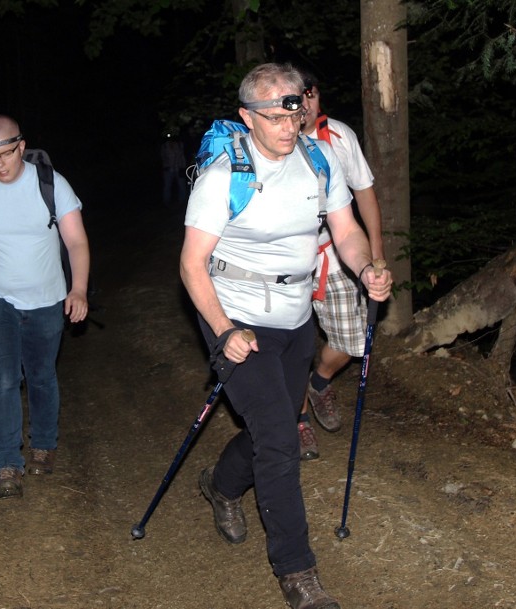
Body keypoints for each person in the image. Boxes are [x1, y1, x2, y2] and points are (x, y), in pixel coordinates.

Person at [180, 63, 392, 609]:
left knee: (267, 428)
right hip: (236, 315)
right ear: (247, 117)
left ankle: (222, 486)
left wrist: (367, 267)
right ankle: (297, 573)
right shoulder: (224, 174)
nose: (287, 124)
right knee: (280, 439)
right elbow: (191, 264)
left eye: (293, 110)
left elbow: (344, 231)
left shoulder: (319, 160)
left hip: (297, 316)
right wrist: (224, 329)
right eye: (274, 115)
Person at [0, 115, 90, 499]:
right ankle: (8, 463)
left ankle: (44, 442)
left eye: (7, 154)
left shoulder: (51, 184)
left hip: (46, 300)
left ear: (21, 147)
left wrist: (78, 290)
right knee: (4, 379)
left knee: (42, 375)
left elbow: (75, 241)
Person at [296, 71, 385, 461]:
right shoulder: (272, 145)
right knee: (290, 351)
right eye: (298, 97)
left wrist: (375, 257)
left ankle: (319, 381)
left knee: (352, 342)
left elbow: (364, 195)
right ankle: (298, 422)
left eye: (311, 94)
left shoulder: (339, 137)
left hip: (336, 257)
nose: (306, 104)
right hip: (289, 265)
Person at [160, 132, 188, 207]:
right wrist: (165, 166)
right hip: (168, 169)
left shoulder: (180, 144)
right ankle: (166, 202)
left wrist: (183, 167)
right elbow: (163, 157)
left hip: (179, 168)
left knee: (182, 186)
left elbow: (182, 157)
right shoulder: (165, 146)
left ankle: (182, 202)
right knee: (167, 186)